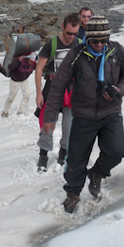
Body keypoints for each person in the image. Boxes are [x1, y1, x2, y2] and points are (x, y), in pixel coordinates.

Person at [44, 15, 124, 213]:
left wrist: (118, 90)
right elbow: (58, 86)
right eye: (95, 41)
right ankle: (73, 193)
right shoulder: (77, 55)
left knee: (116, 152)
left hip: (111, 113)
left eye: (104, 40)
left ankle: (97, 174)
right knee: (76, 160)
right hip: (84, 115)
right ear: (88, 39)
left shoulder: (117, 51)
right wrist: (50, 118)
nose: (100, 45)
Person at [34, 13, 82, 171]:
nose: (71, 37)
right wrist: (39, 93)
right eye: (69, 33)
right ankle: (43, 155)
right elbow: (39, 68)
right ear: (62, 27)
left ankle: (64, 152)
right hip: (52, 90)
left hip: (72, 92)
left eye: (75, 33)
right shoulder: (52, 44)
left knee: (70, 126)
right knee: (48, 124)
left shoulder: (80, 44)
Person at [1, 52, 37, 117]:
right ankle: (5, 111)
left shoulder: (33, 64)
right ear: (28, 59)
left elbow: (39, 68)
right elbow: (10, 67)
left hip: (24, 80)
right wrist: (18, 61)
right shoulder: (20, 61)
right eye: (31, 61)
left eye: (33, 62)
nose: (31, 63)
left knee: (27, 96)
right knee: (11, 97)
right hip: (15, 80)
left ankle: (21, 111)